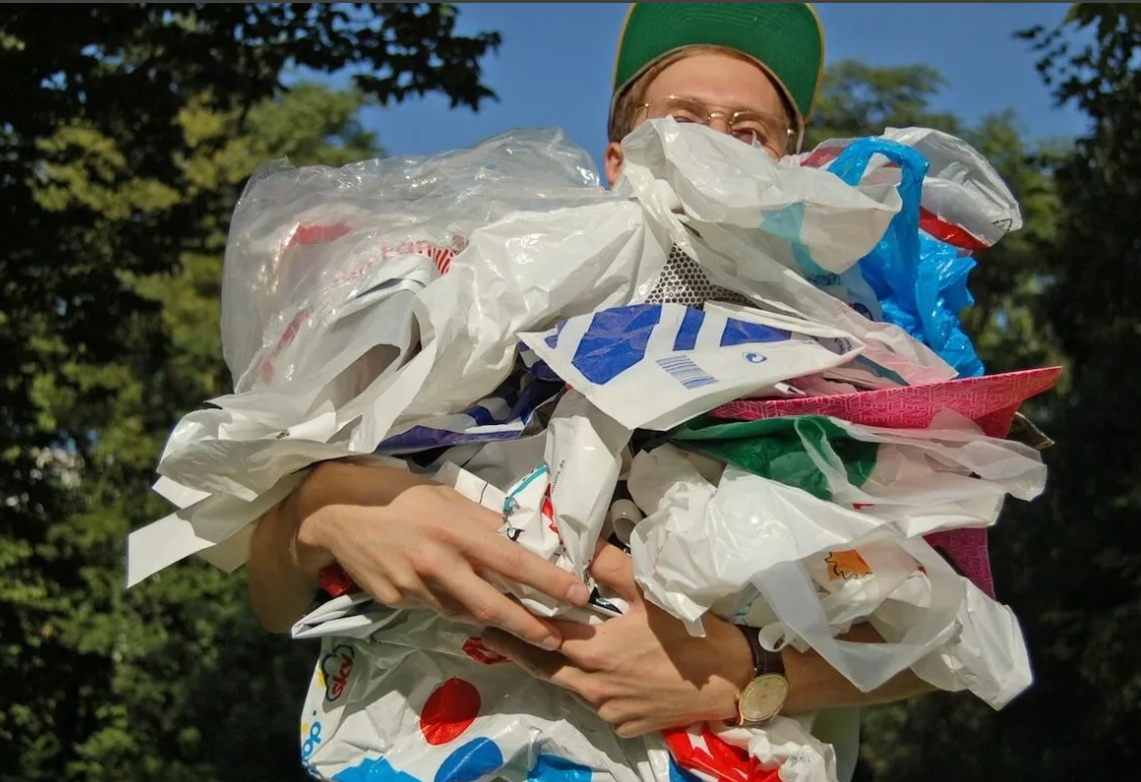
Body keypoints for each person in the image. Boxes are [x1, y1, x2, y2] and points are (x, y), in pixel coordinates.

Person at [248, 2, 934, 776]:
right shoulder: (491, 290)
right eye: (682, 117)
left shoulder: (847, 354)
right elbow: (272, 594)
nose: (714, 143)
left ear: (786, 167)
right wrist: (323, 508)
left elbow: (938, 637)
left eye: (750, 132)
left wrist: (737, 676)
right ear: (619, 156)